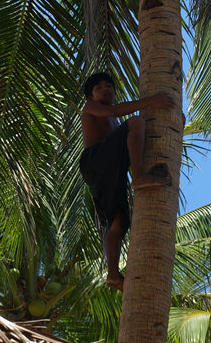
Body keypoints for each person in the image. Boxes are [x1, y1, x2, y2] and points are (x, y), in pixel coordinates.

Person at [79, 72, 174, 291]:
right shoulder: (91, 108)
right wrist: (152, 100)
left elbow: (134, 142)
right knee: (136, 122)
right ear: (91, 97)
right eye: (99, 88)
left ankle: (113, 274)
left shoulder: (115, 124)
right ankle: (139, 177)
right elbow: (114, 111)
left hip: (108, 170)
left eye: (109, 86)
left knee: (119, 223)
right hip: (95, 161)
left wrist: (172, 120)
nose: (105, 89)